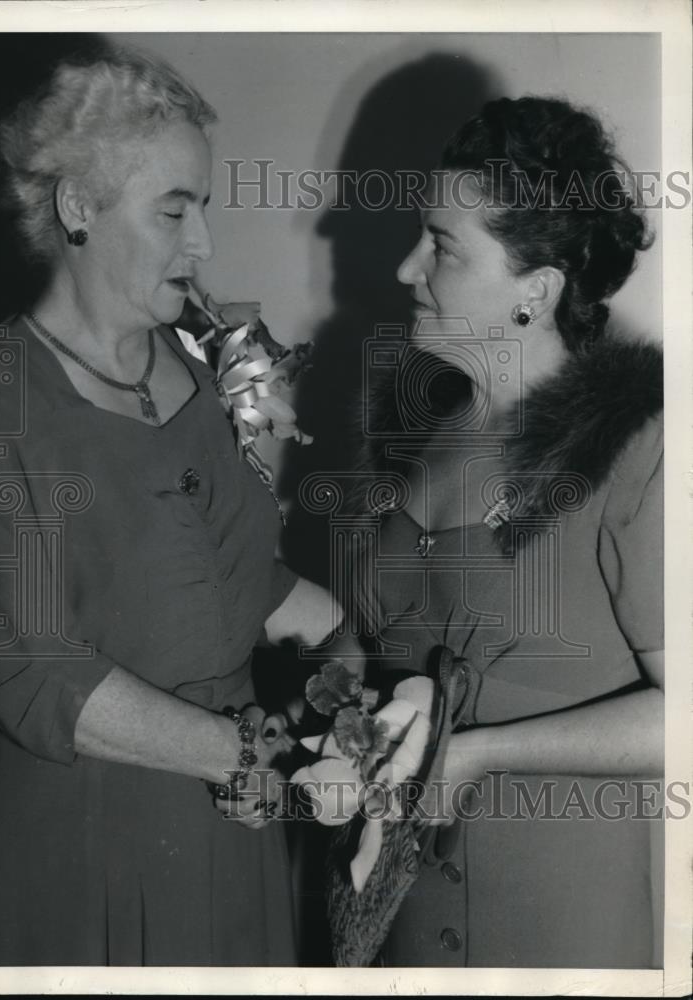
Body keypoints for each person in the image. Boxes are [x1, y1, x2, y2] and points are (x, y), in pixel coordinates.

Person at [0, 46, 339, 966]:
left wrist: (347, 645)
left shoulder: (203, 367)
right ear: (78, 208)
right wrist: (244, 758)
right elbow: (32, 672)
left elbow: (229, 576)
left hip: (235, 827)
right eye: (174, 210)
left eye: (204, 208)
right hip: (93, 838)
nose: (203, 243)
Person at [351, 96, 663, 967]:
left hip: (556, 923)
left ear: (537, 289)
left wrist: (480, 755)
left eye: (444, 246)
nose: (408, 267)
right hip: (403, 916)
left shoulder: (638, 446)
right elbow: (376, 640)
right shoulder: (420, 425)